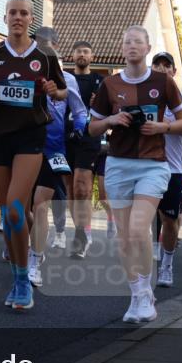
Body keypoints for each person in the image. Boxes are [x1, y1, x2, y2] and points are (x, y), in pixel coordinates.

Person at [88, 26, 182, 324]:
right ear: (122, 49)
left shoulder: (163, 82)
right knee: (124, 238)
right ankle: (139, 293)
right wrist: (110, 119)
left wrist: (164, 127)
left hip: (153, 165)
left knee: (138, 229)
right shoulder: (110, 84)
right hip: (119, 163)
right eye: (127, 42)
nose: (132, 46)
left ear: (147, 48)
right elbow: (92, 128)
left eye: (138, 42)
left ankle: (145, 293)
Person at [0, 0, 67, 310]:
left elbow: (62, 89)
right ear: (5, 17)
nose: (18, 18)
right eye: (13, 12)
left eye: (24, 13)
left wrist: (55, 91)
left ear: (31, 20)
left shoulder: (45, 55)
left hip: (31, 135)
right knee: (11, 214)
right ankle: (18, 274)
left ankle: (24, 278)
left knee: (14, 209)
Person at [27, 59, 86, 287]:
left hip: (54, 149)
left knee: (40, 203)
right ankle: (30, 245)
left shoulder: (67, 79)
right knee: (22, 209)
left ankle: (34, 261)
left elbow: (80, 111)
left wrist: (79, 130)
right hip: (24, 147)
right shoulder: (26, 73)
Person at [150, 52, 182, 287]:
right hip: (143, 167)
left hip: (171, 169)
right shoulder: (142, 96)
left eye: (166, 66)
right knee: (141, 219)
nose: (162, 69)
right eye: (157, 65)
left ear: (173, 71)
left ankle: (167, 264)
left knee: (169, 220)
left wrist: (168, 127)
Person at [64, 39, 105, 257]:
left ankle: (82, 235)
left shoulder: (100, 81)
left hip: (89, 137)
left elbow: (110, 108)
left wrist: (100, 102)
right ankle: (81, 232)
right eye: (78, 51)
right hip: (65, 137)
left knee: (82, 188)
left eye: (86, 52)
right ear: (72, 56)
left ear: (92, 57)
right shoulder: (65, 78)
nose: (82, 54)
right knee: (71, 190)